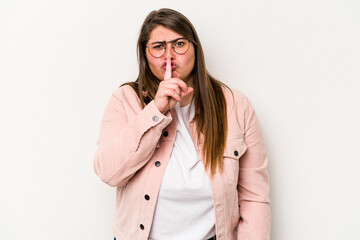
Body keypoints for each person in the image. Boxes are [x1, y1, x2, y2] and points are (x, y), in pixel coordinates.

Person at [93, 8, 270, 240]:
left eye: (179, 44)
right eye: (158, 47)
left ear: (195, 48)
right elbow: (109, 172)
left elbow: (254, 197)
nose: (169, 56)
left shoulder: (235, 105)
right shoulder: (125, 100)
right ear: (145, 55)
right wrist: (156, 111)